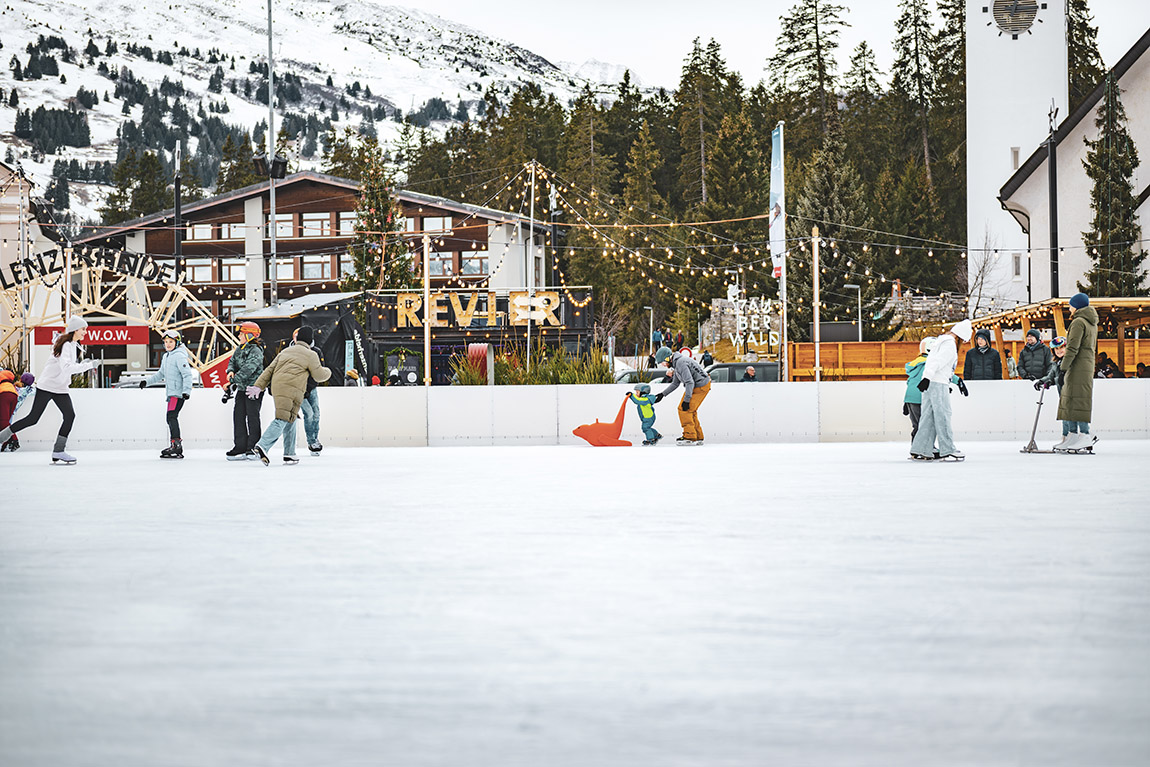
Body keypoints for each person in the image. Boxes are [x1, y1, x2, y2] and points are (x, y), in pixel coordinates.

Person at [0, 316, 100, 464]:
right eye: (83, 329)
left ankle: (59, 451)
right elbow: (66, 368)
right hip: (47, 386)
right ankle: (2, 437)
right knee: (33, 418)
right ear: (75, 329)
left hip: (60, 388)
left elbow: (67, 366)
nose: (85, 332)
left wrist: (83, 363)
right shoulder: (66, 344)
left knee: (69, 416)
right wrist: (88, 365)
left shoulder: (73, 345)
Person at [247, 326, 331, 466]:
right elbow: (319, 375)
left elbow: (269, 370)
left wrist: (258, 386)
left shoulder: (285, 351)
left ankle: (289, 454)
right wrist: (328, 371)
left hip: (278, 387)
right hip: (291, 389)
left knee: (291, 418)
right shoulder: (310, 354)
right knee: (282, 419)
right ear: (310, 341)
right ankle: (262, 445)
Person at [910, 319, 971, 461]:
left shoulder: (939, 341)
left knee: (927, 417)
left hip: (931, 382)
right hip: (938, 383)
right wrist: (928, 377)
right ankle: (947, 448)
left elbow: (931, 361)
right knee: (943, 415)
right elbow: (938, 362)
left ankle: (921, 448)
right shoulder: (949, 344)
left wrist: (926, 378)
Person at [142, 329, 195, 459]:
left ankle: (176, 445)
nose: (168, 344)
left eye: (171, 342)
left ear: (177, 342)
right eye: (166, 342)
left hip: (178, 394)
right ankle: (175, 444)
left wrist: (186, 392)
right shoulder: (166, 356)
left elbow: (187, 375)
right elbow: (160, 374)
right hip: (171, 394)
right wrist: (146, 382)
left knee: (171, 416)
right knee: (170, 417)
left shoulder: (179, 356)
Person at [1057, 293, 1098, 450]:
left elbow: (1072, 348)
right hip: (1086, 365)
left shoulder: (1078, 322)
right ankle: (1073, 436)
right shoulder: (1091, 322)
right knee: (1074, 399)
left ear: (1077, 306)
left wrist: (1063, 369)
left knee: (1077, 399)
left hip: (1078, 365)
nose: (1069, 308)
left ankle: (1084, 435)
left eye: (1071, 305)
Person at [651, 345, 712, 445]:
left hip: (700, 386)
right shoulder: (677, 363)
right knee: (691, 410)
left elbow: (689, 382)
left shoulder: (680, 363)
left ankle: (690, 437)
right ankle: (697, 436)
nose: (662, 364)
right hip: (698, 385)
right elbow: (675, 383)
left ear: (667, 358)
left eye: (662, 362)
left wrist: (686, 400)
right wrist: (662, 394)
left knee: (684, 410)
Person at [225, 321, 266, 460]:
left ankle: (253, 447)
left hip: (254, 389)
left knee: (252, 417)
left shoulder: (256, 351)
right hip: (242, 388)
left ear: (249, 335)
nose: (239, 335)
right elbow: (232, 361)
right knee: (238, 415)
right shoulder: (240, 348)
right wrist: (230, 371)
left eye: (241, 333)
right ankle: (240, 446)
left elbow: (249, 369)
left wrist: (231, 381)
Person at [1035, 337, 1078, 448]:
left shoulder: (1070, 361)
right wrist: (1041, 381)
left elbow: (1065, 378)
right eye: (1056, 349)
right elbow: (1052, 376)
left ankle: (1073, 438)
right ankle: (1065, 439)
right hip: (1062, 394)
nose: (1059, 351)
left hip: (1071, 393)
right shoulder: (1056, 363)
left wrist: (1051, 382)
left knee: (1070, 416)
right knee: (1064, 416)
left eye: (1061, 348)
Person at [293, 327, 324, 455]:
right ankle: (311, 441)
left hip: (311, 388)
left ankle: (315, 438)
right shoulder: (291, 352)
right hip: (299, 389)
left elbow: (318, 371)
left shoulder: (316, 352)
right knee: (309, 414)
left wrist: (310, 386)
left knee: (316, 413)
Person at [1, 373, 35, 452]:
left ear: (20, 379)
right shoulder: (29, 389)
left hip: (6, 403)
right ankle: (5, 444)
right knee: (7, 425)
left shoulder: (14, 386)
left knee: (4, 424)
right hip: (14, 408)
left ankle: (13, 441)